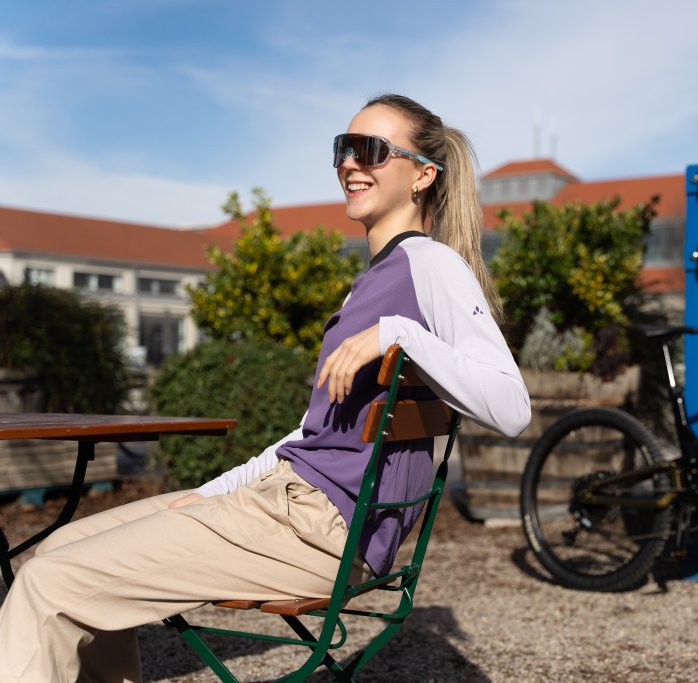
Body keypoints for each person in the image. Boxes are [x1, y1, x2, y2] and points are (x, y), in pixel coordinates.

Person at [0, 93, 531, 682]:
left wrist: (397, 332)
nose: (351, 163)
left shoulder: (429, 265)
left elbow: (512, 408)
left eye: (371, 150)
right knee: (49, 555)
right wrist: (210, 493)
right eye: (343, 149)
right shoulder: (372, 284)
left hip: (315, 530)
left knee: (50, 585)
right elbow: (312, 435)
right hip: (282, 504)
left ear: (423, 175)